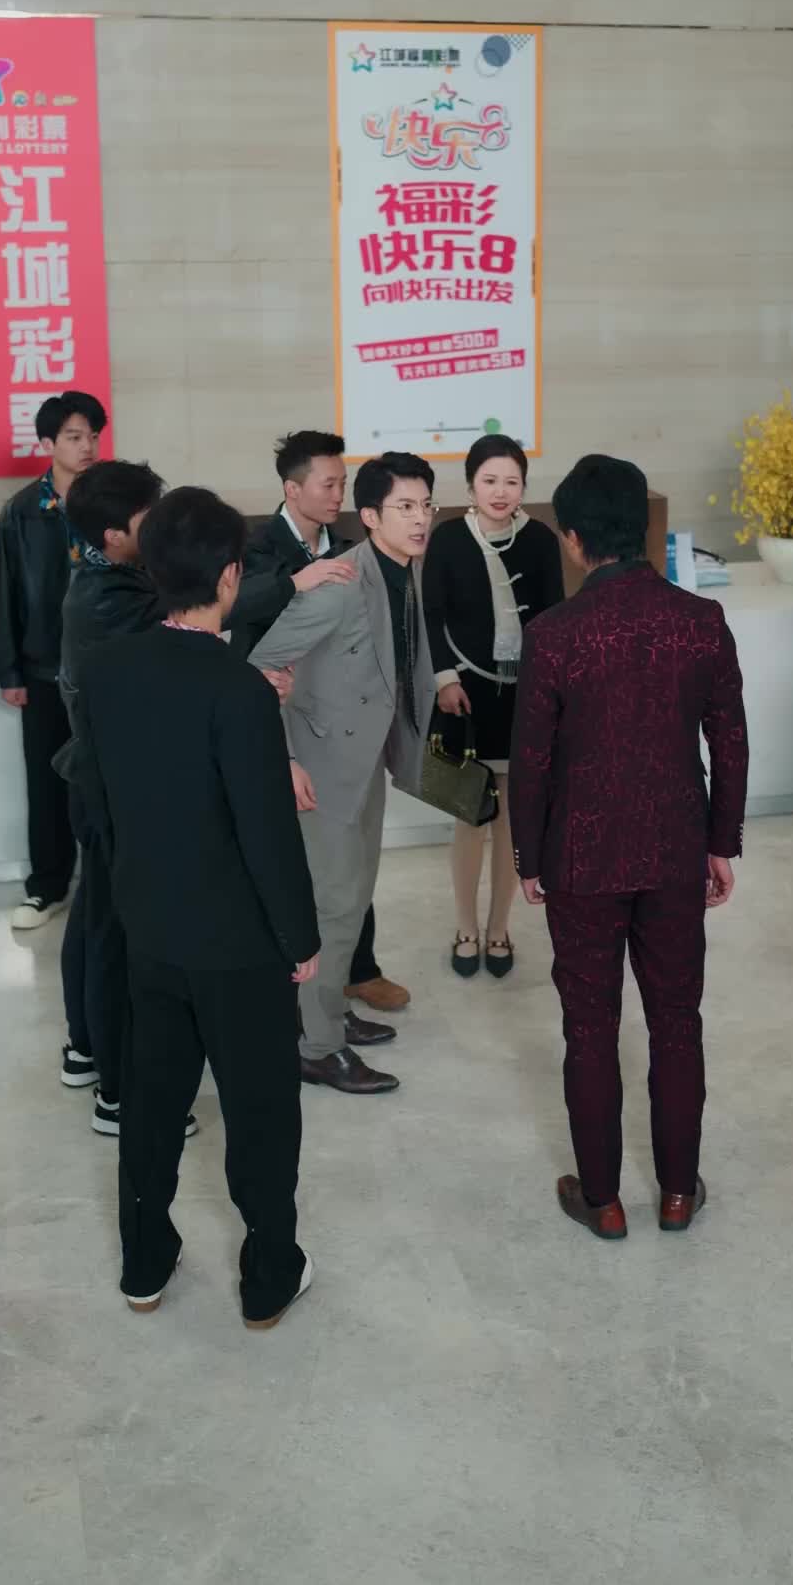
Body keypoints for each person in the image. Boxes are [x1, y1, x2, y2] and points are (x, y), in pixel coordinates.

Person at [73, 487, 320, 1326]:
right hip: (238, 946)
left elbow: (96, 798)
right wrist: (300, 938)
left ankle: (144, 1262)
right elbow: (267, 835)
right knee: (259, 1111)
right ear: (229, 576)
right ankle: (269, 1273)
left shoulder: (108, 671)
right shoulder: (238, 690)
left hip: (148, 927)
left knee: (152, 1102)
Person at [509, 455, 748, 1239]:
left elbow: (531, 761)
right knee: (677, 1020)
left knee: (589, 1028)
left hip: (580, 858)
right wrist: (721, 843)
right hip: (676, 849)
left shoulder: (552, 634)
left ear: (575, 539)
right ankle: (678, 1192)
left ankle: (603, 1201)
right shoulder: (701, 620)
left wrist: (529, 858)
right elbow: (730, 743)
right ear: (641, 529)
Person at [250, 453, 435, 1095]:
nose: (419, 518)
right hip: (320, 768)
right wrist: (285, 758)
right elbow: (258, 667)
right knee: (332, 905)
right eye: (405, 507)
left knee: (352, 899)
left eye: (426, 505)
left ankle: (324, 1013)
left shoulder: (403, 572)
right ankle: (318, 1047)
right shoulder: (340, 583)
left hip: (365, 762)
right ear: (371, 516)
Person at [227, 429, 398, 1034]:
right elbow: (235, 617)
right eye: (328, 484)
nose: (337, 494)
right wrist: (294, 583)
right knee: (307, 881)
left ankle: (343, 990)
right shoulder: (258, 551)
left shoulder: (349, 549)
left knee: (349, 876)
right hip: (280, 731)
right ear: (292, 488)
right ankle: (305, 1017)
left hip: (341, 737)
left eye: (343, 484)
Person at [57, 459, 201, 1143]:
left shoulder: (111, 576)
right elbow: (191, 617)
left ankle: (86, 1050)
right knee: (118, 941)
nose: (162, 523)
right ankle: (119, 1095)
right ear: (115, 534)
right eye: (152, 515)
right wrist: (292, 582)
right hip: (114, 789)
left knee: (95, 922)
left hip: (101, 781)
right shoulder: (110, 597)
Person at [423, 435, 565, 978]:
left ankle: (500, 927)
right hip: (463, 694)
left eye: (511, 481)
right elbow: (431, 612)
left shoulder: (540, 540)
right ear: (470, 486)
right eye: (489, 481)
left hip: (524, 696)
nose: (500, 491)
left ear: (524, 486)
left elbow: (553, 620)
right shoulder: (447, 538)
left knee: (510, 819)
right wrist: (444, 678)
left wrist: (548, 693)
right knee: (469, 816)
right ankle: (465, 926)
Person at [0, 390, 106, 929]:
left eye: (93, 436)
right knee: (46, 781)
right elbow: (4, 595)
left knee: (110, 779)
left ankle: (111, 884)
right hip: (42, 671)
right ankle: (48, 886)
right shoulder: (21, 512)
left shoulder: (110, 505)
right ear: (46, 444)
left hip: (105, 670)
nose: (87, 447)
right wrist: (9, 671)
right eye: (74, 437)